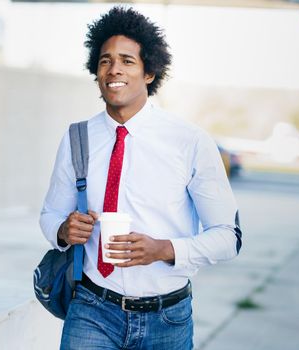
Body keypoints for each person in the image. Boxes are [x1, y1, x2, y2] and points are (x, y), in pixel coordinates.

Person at [40, 6, 242, 350]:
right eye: (105, 60)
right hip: (91, 308)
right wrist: (63, 230)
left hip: (167, 317)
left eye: (127, 60)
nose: (114, 69)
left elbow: (229, 237)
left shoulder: (189, 141)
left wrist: (163, 249)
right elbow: (49, 216)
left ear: (149, 72)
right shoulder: (77, 138)